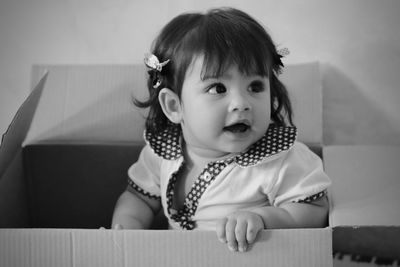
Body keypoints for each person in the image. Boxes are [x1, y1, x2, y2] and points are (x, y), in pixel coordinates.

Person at [111, 7, 331, 252]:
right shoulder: (163, 152)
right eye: (218, 88)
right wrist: (126, 231)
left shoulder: (279, 159)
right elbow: (138, 199)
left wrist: (262, 218)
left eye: (255, 86)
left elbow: (315, 209)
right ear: (174, 106)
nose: (242, 103)